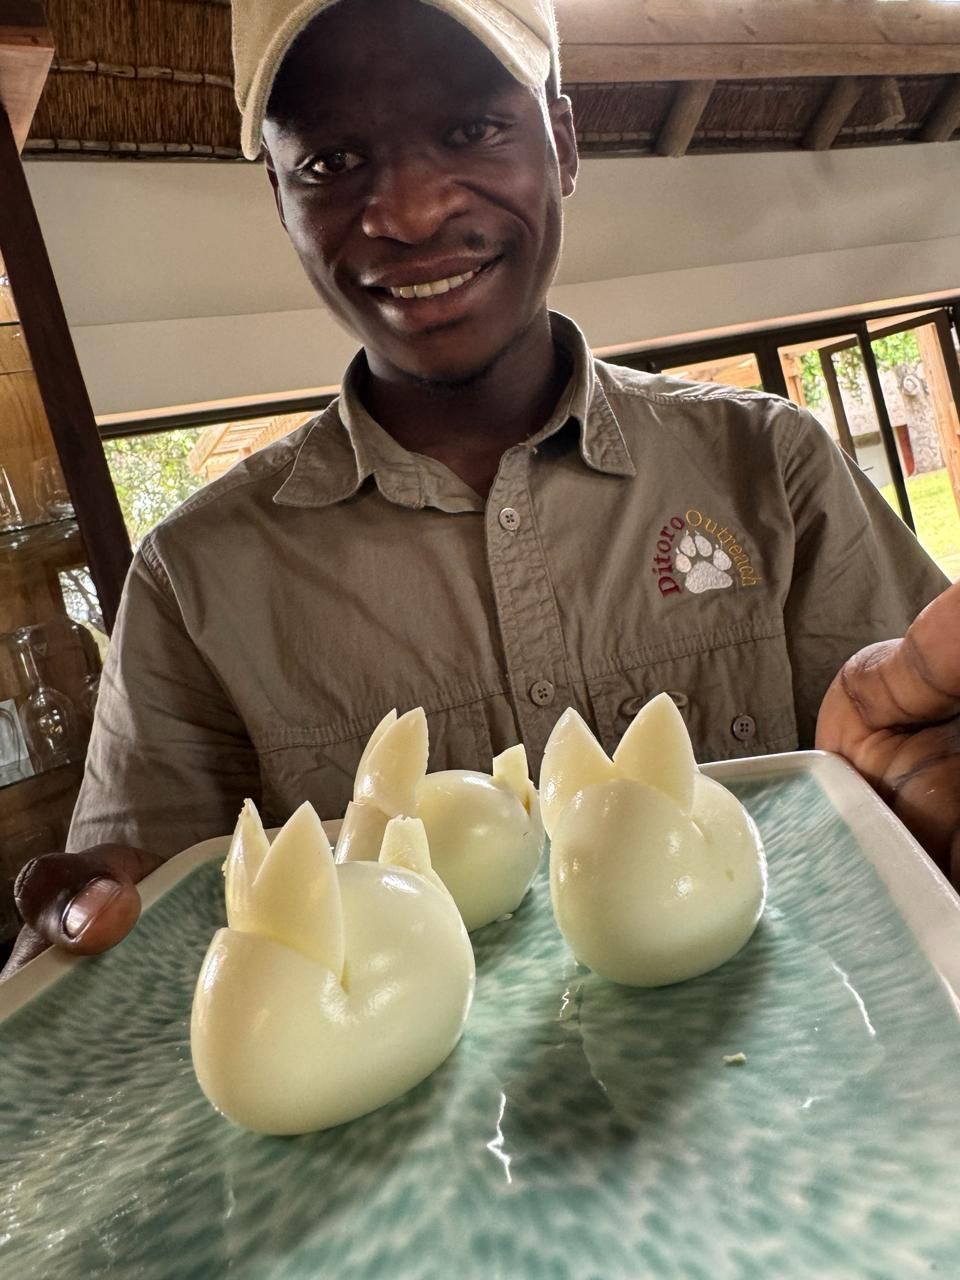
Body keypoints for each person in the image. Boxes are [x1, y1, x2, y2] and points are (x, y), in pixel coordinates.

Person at [3, 0, 958, 979]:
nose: (411, 212)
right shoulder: (194, 585)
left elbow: (912, 768)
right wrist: (94, 937)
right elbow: (151, 947)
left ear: (565, 143)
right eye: (332, 163)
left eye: (471, 129)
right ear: (280, 200)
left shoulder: (775, 469)